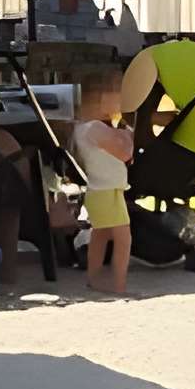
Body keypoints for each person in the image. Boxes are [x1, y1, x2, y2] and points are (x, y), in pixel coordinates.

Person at [74, 69, 134, 295]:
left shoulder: (84, 128)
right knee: (123, 239)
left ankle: (94, 277)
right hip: (107, 192)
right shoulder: (95, 129)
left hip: (101, 191)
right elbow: (125, 152)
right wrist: (128, 131)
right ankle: (119, 285)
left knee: (100, 236)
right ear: (102, 99)